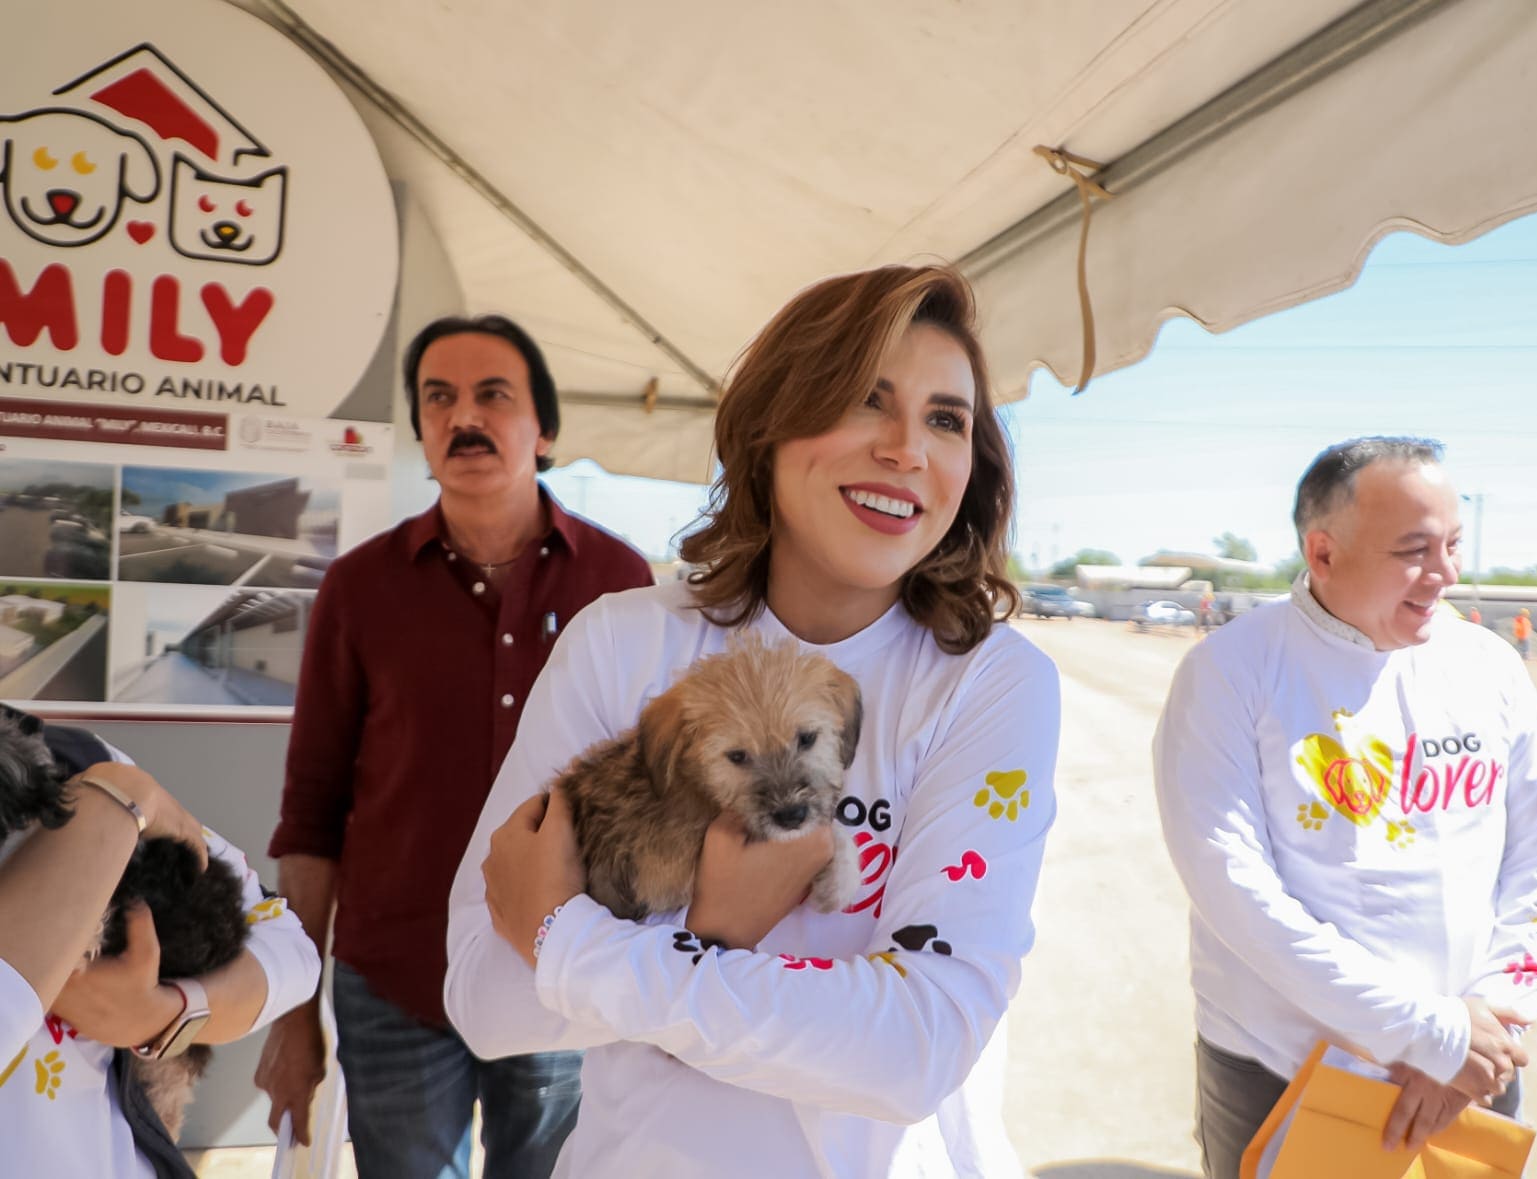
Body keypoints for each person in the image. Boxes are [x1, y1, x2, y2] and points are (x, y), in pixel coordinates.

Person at [444, 265, 1061, 1178]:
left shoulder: (988, 683)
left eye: (946, 418)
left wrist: (577, 940)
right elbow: (488, 999)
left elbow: (915, 1048)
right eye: (865, 399)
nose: (906, 448)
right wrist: (716, 931)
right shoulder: (625, 646)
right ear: (772, 423)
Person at [256, 315, 655, 1178]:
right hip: (395, 980)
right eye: (439, 398)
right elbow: (312, 813)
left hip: (563, 969)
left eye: (492, 395)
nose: (462, 416)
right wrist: (293, 1016)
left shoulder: (621, 587)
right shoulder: (359, 589)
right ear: (421, 431)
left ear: (543, 429)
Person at [1153, 437, 1537, 1179]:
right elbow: (1232, 888)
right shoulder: (1228, 672)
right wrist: (1427, 1033)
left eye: (1450, 543)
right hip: (1282, 1067)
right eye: (1414, 549)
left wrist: (1485, 1024)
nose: (1445, 573)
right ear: (1322, 553)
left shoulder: (1488, 666)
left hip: (1475, 1067)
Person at [0, 706, 318, 1179]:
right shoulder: (107, 788)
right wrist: (117, 803)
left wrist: (166, 1013)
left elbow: (285, 941)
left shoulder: (76, 759)